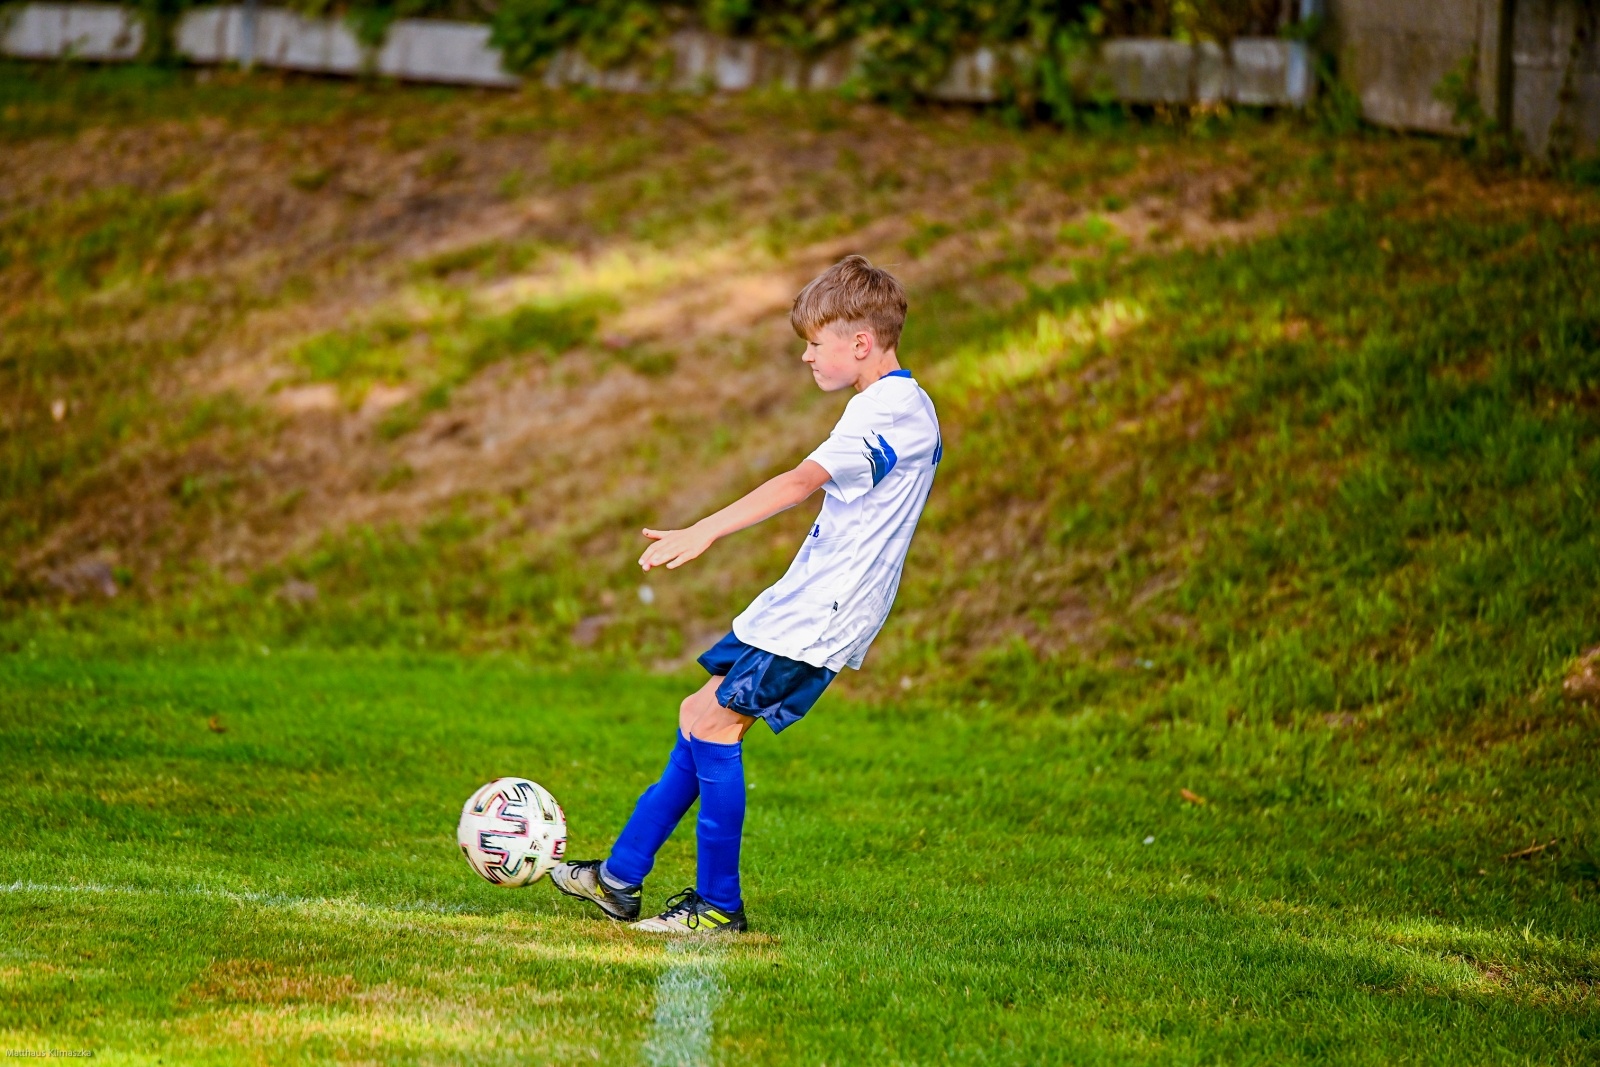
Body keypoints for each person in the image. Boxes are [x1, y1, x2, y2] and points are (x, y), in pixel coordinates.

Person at [550, 254, 942, 934]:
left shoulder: (887, 412)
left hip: (822, 613)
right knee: (697, 712)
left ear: (860, 342)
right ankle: (618, 877)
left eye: (814, 343)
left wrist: (703, 529)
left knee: (715, 725)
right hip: (804, 601)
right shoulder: (902, 404)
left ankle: (717, 905)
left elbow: (799, 482)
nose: (805, 356)